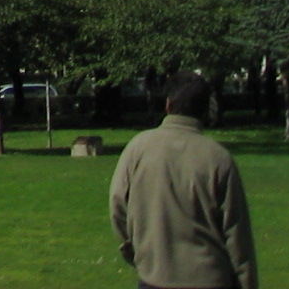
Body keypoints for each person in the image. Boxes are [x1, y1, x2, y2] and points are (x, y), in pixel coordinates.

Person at [109, 74, 258, 289]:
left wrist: (136, 253)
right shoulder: (219, 159)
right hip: (209, 278)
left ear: (168, 104)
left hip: (154, 278)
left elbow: (118, 207)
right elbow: (237, 238)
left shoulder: (138, 148)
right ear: (206, 110)